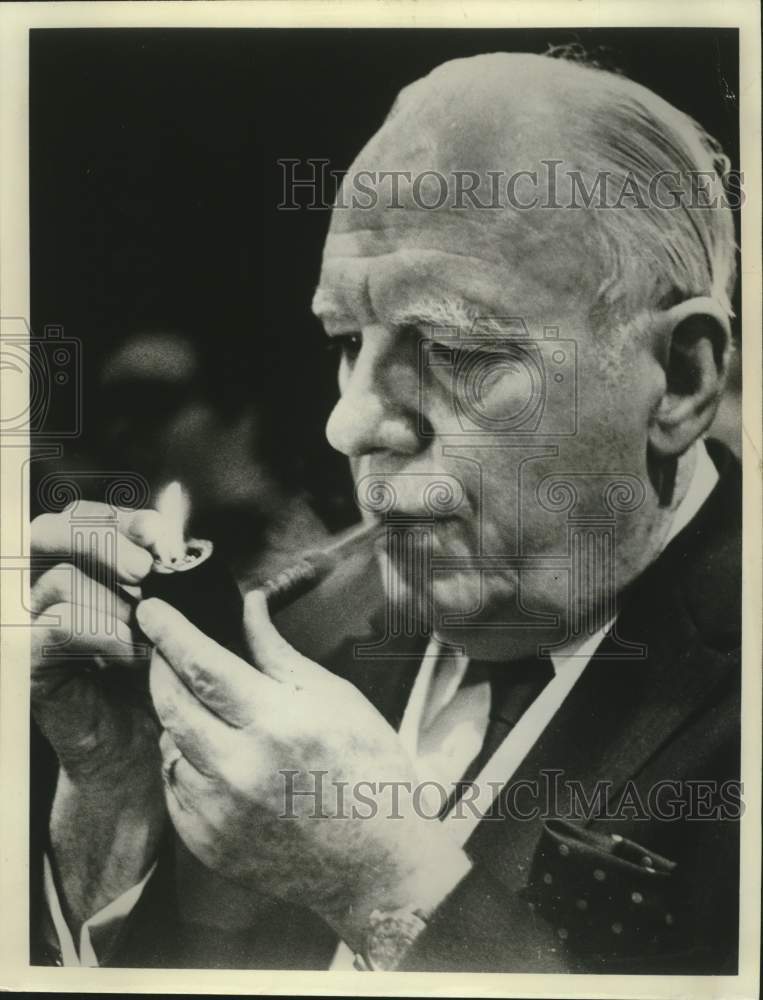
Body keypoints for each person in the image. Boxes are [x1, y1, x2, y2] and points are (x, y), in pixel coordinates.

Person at [30, 51, 741, 973]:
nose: (350, 422)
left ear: (680, 379)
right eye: (348, 344)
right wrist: (116, 815)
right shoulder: (289, 626)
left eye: (451, 346)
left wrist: (380, 889)